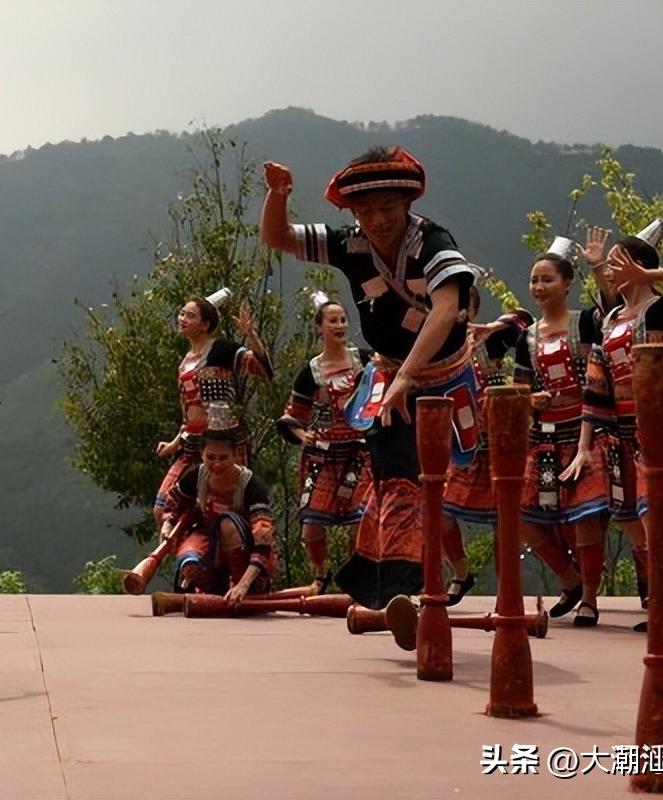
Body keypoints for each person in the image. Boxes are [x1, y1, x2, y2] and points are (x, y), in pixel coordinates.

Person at [261, 146, 478, 609]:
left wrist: (408, 379)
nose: (376, 220)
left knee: (438, 489)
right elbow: (278, 237)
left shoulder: (434, 243)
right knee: (393, 479)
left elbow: (446, 311)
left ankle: (427, 583)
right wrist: (278, 194)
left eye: (386, 208)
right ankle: (398, 590)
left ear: (407, 205)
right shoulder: (351, 243)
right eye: (365, 210)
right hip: (387, 375)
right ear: (353, 211)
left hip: (444, 380)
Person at [575, 221, 663, 630]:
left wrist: (650, 276)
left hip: (655, 423)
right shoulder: (612, 316)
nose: (612, 272)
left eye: (619, 263)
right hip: (619, 427)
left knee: (654, 514)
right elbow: (596, 384)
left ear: (638, 265)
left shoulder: (662, 307)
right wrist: (586, 443)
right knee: (628, 514)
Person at [511, 237, 611, 626]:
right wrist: (531, 398)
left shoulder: (585, 322)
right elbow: (519, 386)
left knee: (585, 514)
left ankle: (589, 598)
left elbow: (613, 308)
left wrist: (599, 266)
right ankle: (569, 580)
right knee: (524, 516)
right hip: (544, 438)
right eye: (534, 280)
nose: (538, 287)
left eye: (547, 280)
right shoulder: (528, 337)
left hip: (584, 431)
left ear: (567, 283)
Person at [440, 285, 534, 605]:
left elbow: (524, 325)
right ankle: (461, 572)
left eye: (465, 305)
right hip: (459, 445)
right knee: (438, 510)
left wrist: (500, 325)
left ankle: (507, 589)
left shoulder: (488, 339)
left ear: (475, 309)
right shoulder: (434, 347)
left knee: (503, 518)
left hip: (495, 440)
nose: (458, 311)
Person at [275, 295, 372, 592]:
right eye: (333, 320)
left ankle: (356, 579)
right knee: (312, 524)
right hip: (323, 457)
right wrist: (306, 437)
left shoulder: (365, 361)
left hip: (359, 453)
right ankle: (321, 573)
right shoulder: (311, 373)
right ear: (320, 327)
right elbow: (292, 416)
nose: (340, 325)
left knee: (362, 520)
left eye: (343, 319)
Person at [153, 291, 272, 525]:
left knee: (229, 509)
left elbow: (261, 368)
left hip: (222, 441)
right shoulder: (185, 361)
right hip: (192, 441)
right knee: (164, 506)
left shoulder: (221, 349)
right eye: (182, 313)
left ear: (205, 324)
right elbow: (188, 412)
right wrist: (174, 443)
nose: (182, 319)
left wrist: (250, 334)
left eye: (190, 315)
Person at [159, 413, 278, 605]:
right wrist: (168, 524)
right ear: (201, 455)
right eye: (210, 457)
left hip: (245, 548)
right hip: (208, 540)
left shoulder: (251, 486)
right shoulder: (195, 476)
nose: (216, 463)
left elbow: (263, 540)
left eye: (223, 458)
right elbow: (174, 503)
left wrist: (244, 584)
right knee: (189, 562)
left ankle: (245, 591)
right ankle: (216, 591)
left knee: (228, 523)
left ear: (235, 455)